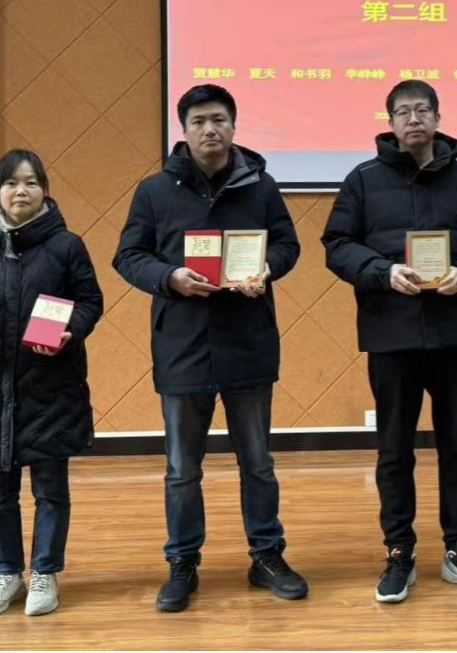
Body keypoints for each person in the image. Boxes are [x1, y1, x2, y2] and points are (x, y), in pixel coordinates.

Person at [113, 84, 305, 611]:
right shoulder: (155, 191)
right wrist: (169, 277)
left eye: (219, 119)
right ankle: (182, 562)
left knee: (258, 462)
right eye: (198, 121)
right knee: (182, 468)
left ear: (234, 126)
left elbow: (288, 245)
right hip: (182, 344)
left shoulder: (261, 187)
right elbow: (128, 255)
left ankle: (267, 556)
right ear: (184, 130)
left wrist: (268, 268)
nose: (210, 129)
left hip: (248, 340)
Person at [321, 79, 457, 603]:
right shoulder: (363, 180)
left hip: (453, 334)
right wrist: (382, 272)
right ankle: (399, 551)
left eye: (423, 110)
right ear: (390, 122)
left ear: (438, 118)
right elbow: (337, 245)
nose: (414, 119)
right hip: (391, 334)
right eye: (403, 112)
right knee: (394, 449)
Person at [0, 149, 104, 617]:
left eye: (32, 182)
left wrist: (72, 328)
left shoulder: (67, 245)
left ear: (44, 191)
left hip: (51, 386)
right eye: (12, 182)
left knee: (50, 488)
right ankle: (6, 574)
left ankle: (45, 573)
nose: (21, 191)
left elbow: (90, 300)